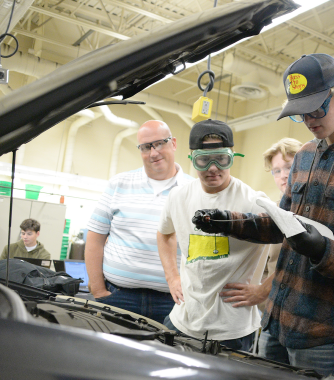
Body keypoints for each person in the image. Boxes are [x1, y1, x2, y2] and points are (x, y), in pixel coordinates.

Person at [192, 53, 334, 377]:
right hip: (275, 322)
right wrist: (229, 221)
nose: (308, 119)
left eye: (316, 107)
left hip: (323, 337)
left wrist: (324, 251)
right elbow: (281, 224)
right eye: (299, 113)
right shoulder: (305, 155)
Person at [157, 119, 269, 350]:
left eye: (221, 158)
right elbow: (164, 234)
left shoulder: (255, 202)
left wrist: (265, 290)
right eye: (203, 160)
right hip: (182, 320)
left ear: (232, 156)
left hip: (232, 330)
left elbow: (297, 248)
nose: (213, 168)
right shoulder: (178, 197)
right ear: (192, 160)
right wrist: (172, 278)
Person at [85, 120, 193, 323]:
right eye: (146, 147)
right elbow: (95, 239)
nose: (153, 153)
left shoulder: (193, 190)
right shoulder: (119, 184)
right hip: (118, 297)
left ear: (174, 143)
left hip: (173, 302)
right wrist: (98, 289)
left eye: (159, 143)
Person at [218, 137, 304, 361]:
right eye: (276, 170)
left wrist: (261, 291)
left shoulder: (313, 211)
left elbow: (298, 263)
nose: (283, 175)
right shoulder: (275, 212)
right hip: (272, 319)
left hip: (305, 323)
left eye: (288, 166)